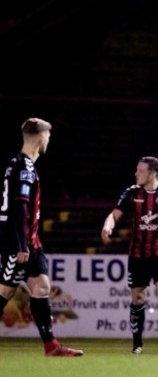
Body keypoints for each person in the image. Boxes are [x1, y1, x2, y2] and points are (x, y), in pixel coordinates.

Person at [0, 118, 83, 357]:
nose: (49, 140)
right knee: (6, 292)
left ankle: (51, 346)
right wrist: (21, 244)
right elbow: (19, 207)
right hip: (18, 242)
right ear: (40, 138)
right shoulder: (23, 167)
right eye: (48, 136)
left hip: (28, 241)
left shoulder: (18, 164)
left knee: (41, 287)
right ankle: (51, 345)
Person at [101, 156, 158, 354]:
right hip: (138, 254)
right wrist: (108, 224)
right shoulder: (131, 193)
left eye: (140, 171)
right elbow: (115, 214)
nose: (136, 173)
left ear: (152, 174)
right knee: (138, 298)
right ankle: (137, 344)